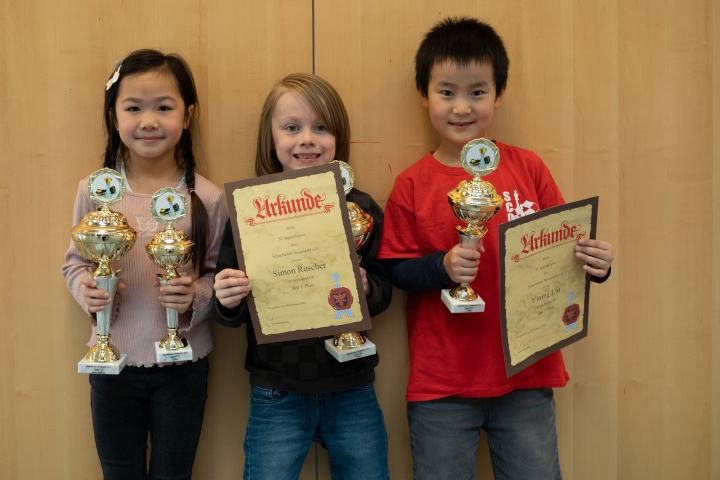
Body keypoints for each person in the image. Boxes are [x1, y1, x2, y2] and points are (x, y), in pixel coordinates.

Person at [377, 17, 615, 480]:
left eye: (477, 92)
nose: (461, 107)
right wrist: (443, 266)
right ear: (423, 94)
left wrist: (596, 265)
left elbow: (565, 250)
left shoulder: (529, 168)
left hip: (526, 374)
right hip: (442, 384)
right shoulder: (411, 183)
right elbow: (398, 271)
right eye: (446, 92)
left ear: (499, 93)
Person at [212, 73, 392, 480]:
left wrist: (367, 287)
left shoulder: (360, 209)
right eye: (292, 128)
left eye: (321, 127)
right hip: (277, 390)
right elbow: (229, 312)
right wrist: (226, 297)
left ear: (339, 136)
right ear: (271, 139)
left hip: (352, 386)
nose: (307, 139)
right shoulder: (249, 210)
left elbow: (384, 286)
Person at [61, 49, 227, 480]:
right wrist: (87, 290)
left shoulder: (207, 198)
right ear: (113, 116)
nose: (148, 121)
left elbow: (217, 274)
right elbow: (75, 264)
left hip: (185, 364)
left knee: (174, 473)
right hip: (111, 363)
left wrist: (197, 296)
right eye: (133, 108)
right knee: (119, 472)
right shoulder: (95, 190)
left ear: (188, 116)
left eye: (164, 108)